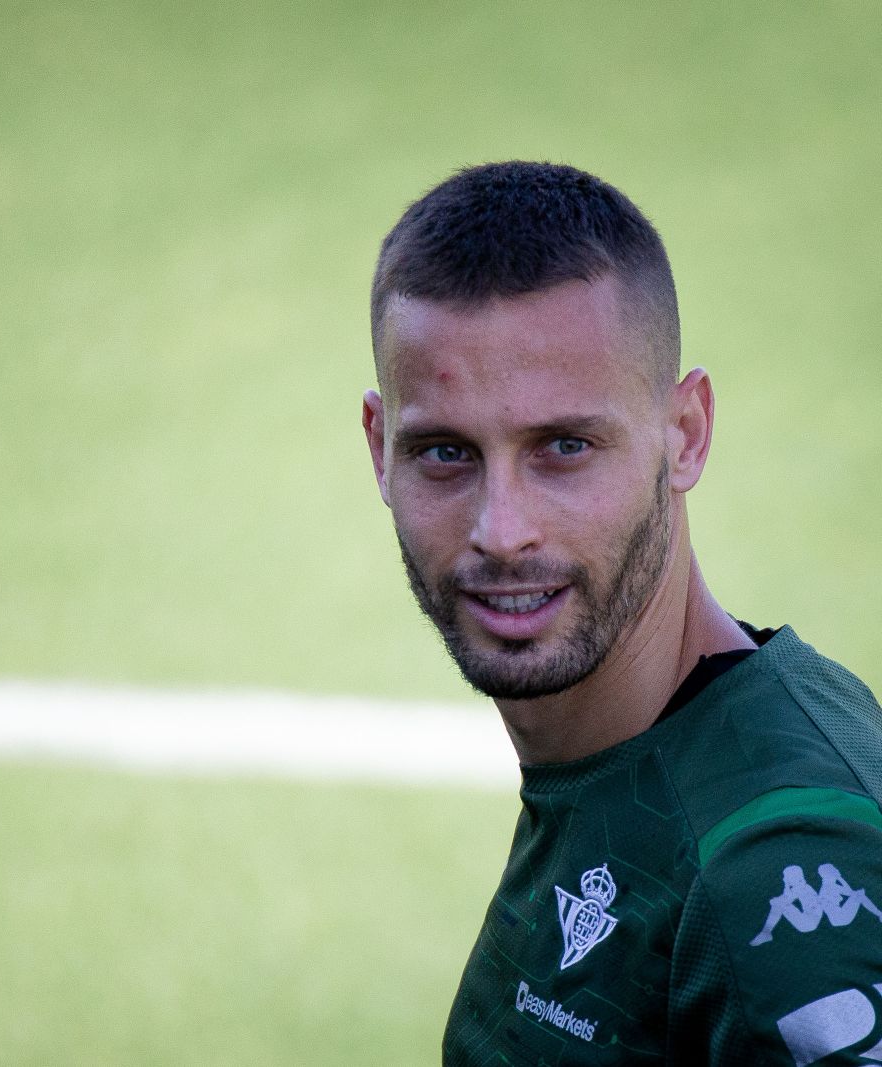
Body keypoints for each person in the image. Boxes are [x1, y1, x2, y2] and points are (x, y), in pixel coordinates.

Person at [361, 161, 882, 1064]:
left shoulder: (775, 877)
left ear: (685, 434)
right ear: (379, 450)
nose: (502, 531)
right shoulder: (618, 754)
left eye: (565, 446)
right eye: (445, 452)